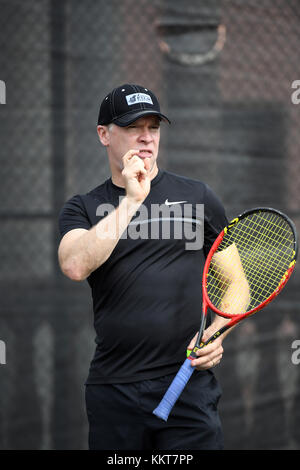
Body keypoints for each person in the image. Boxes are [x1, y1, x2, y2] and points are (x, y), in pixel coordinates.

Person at [58, 84, 232, 450]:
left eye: (153, 127)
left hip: (187, 386)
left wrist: (218, 332)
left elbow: (237, 283)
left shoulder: (197, 196)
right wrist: (132, 201)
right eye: (133, 127)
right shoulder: (85, 207)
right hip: (114, 389)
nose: (146, 138)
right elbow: (74, 264)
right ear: (104, 135)